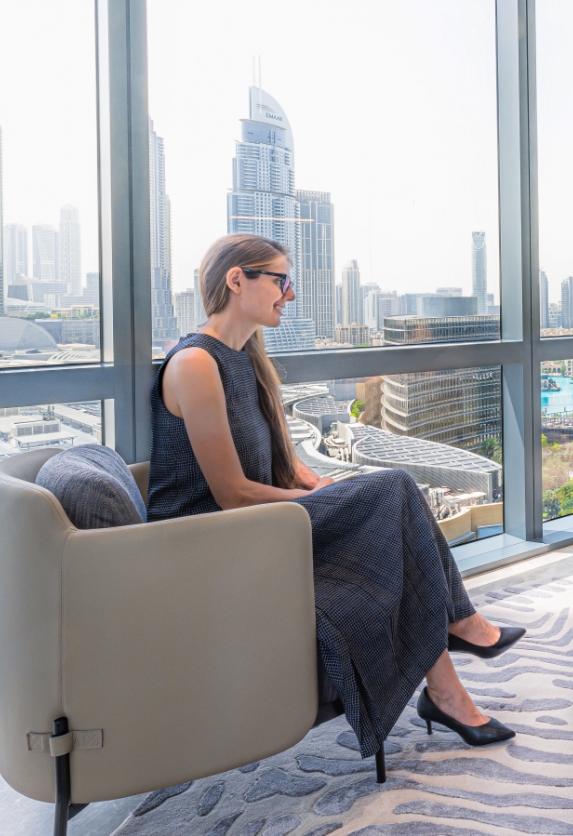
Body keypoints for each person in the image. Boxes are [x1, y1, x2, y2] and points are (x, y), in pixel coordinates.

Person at [149, 232, 519, 754]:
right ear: (236, 280)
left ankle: (447, 688)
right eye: (281, 280)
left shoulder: (244, 358)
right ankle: (458, 630)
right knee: (393, 488)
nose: (290, 294)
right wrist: (322, 501)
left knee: (391, 515)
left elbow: (271, 458)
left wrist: (313, 482)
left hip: (254, 527)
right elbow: (231, 494)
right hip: (210, 544)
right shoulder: (195, 364)